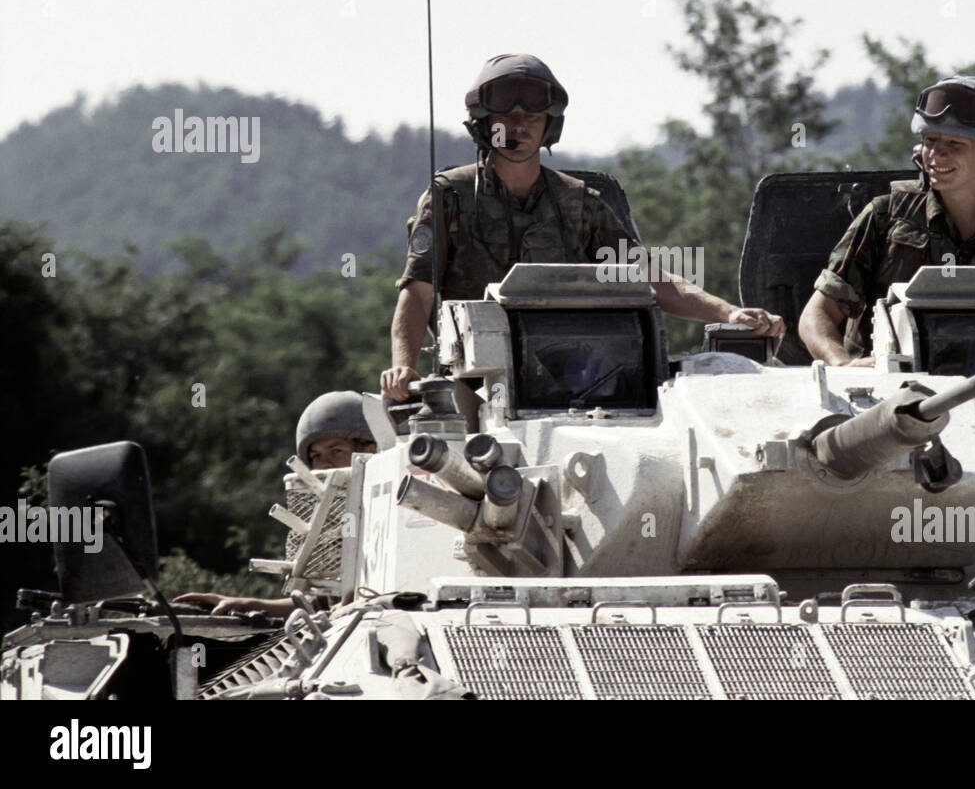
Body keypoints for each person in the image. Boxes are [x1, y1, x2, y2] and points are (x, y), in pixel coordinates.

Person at [381, 53, 785, 401]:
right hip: (473, 382)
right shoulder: (450, 196)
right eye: (505, 116)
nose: (518, 127)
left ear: (548, 126)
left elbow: (649, 280)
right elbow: (418, 293)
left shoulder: (580, 203)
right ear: (484, 124)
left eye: (532, 117)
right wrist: (403, 367)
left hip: (572, 378)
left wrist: (730, 313)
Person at [799, 75, 975, 366]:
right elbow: (816, 315)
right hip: (890, 403)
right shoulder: (886, 218)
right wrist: (842, 365)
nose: (937, 154)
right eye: (930, 141)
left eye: (955, 143)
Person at [173, 392, 376, 618]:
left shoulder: (395, 513)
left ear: (372, 450)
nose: (323, 465)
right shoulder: (336, 523)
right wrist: (246, 604)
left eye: (336, 451)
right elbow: (318, 605)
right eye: (316, 456)